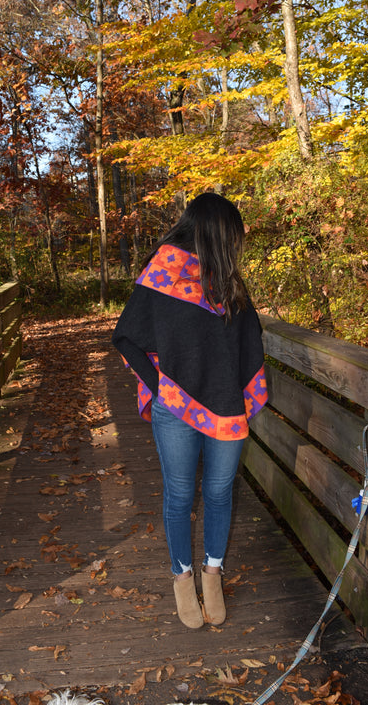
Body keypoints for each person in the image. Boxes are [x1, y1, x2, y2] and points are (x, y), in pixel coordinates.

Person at [112, 192, 268, 629]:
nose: (236, 245)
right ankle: (182, 578)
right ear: (216, 231)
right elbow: (126, 335)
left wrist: (242, 387)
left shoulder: (229, 283)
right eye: (233, 236)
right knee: (181, 495)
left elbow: (248, 340)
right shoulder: (162, 272)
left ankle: (212, 574)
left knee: (220, 493)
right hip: (175, 407)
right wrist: (160, 385)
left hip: (225, 406)